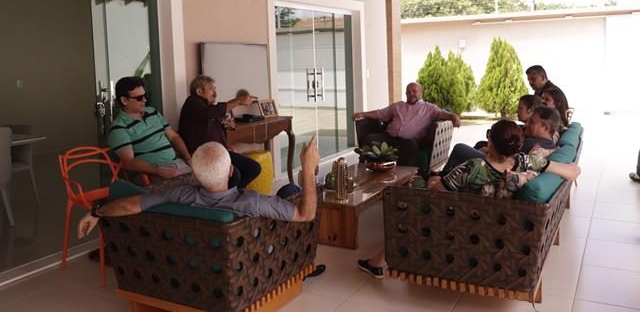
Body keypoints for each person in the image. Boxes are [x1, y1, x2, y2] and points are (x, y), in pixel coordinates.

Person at [357, 119, 580, 279]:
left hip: (463, 225)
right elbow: (571, 171)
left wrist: (432, 180)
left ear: (490, 143)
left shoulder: (474, 167)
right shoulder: (526, 161)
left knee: (414, 192)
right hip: (499, 226)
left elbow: (440, 192)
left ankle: (379, 261)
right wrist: (568, 165)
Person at [78, 135, 320, 239]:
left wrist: (96, 212)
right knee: (289, 191)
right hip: (254, 260)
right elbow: (305, 214)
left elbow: (131, 206)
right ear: (231, 171)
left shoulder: (177, 194)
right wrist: (308, 169)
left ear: (194, 174)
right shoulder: (251, 202)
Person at [178, 75, 260, 189]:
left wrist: (226, 145)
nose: (215, 93)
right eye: (211, 89)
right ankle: (229, 195)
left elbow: (227, 127)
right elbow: (209, 113)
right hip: (205, 155)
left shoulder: (210, 108)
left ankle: (231, 194)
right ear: (199, 91)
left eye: (215, 89)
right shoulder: (192, 103)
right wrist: (238, 101)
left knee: (253, 168)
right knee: (236, 174)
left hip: (219, 151)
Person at [352, 82, 461, 166]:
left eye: (414, 91)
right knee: (368, 139)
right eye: (408, 92)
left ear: (421, 92)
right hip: (389, 137)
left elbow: (442, 114)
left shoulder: (429, 108)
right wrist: (362, 114)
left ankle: (404, 176)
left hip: (408, 142)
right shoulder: (398, 106)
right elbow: (380, 113)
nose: (411, 94)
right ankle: (369, 169)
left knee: (411, 146)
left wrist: (453, 117)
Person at [108, 77, 192, 184]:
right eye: (139, 98)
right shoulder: (119, 128)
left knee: (208, 177)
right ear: (124, 100)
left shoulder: (152, 112)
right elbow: (129, 162)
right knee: (192, 186)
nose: (145, 100)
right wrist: (157, 170)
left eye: (145, 95)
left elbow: (173, 136)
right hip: (150, 173)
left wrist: (188, 158)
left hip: (176, 163)